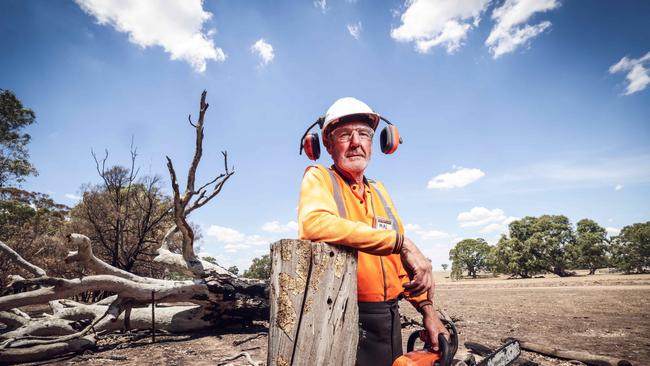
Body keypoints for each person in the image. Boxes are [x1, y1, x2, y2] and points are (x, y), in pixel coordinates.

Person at [298, 97, 450, 365]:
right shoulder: (320, 177)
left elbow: (399, 264)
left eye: (364, 134)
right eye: (345, 135)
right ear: (327, 145)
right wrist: (400, 242)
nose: (356, 142)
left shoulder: (379, 190)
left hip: (387, 318)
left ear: (377, 143)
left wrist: (427, 310)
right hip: (343, 317)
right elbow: (314, 223)